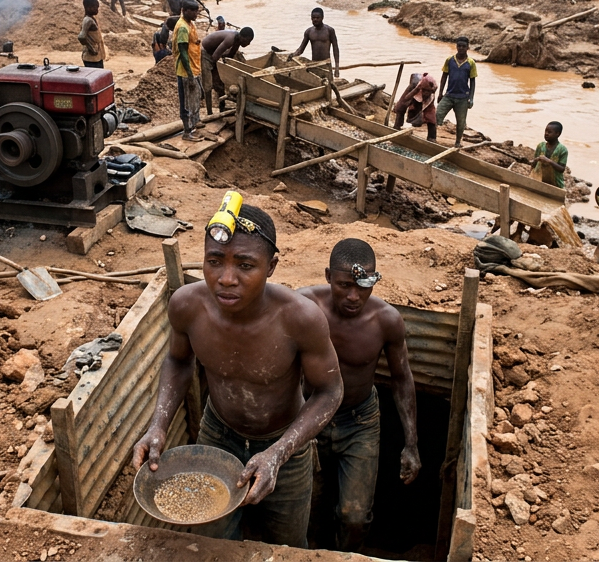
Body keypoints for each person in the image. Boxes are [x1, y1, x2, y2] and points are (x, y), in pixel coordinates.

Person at [131, 199, 342, 548]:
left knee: (286, 546)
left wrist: (278, 452)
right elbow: (178, 361)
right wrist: (158, 425)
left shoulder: (299, 319)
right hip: (217, 438)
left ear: (271, 266)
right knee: (212, 543)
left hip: (284, 443)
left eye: (245, 265)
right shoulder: (187, 305)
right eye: (214, 262)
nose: (226, 279)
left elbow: (330, 391)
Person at [302, 239, 419, 551]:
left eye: (363, 286)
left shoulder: (386, 321)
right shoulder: (303, 307)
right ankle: (307, 552)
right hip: (309, 416)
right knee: (305, 504)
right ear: (328, 276)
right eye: (344, 285)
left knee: (354, 516)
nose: (354, 296)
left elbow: (402, 377)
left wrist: (411, 443)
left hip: (360, 421)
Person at [200, 26, 254, 114]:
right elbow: (214, 57)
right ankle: (209, 112)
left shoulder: (237, 41)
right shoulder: (230, 39)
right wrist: (216, 71)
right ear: (243, 37)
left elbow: (230, 55)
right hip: (206, 54)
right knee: (208, 84)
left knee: (220, 84)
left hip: (215, 54)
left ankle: (222, 108)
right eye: (248, 41)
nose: (248, 44)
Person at [435, 36, 477, 149]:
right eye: (459, 46)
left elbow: (472, 82)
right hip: (449, 95)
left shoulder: (471, 63)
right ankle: (432, 138)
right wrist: (440, 93)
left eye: (464, 46)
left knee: (461, 122)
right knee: (437, 115)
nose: (461, 48)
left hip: (463, 98)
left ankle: (458, 142)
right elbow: (444, 76)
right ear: (456, 47)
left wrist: (471, 98)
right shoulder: (450, 60)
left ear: (468, 47)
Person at [175, 0, 203, 142]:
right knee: (186, 103)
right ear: (185, 10)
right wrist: (190, 75)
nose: (196, 14)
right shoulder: (183, 28)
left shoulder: (189, 24)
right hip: (186, 71)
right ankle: (187, 132)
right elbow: (183, 52)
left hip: (193, 68)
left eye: (197, 11)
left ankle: (193, 125)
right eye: (193, 11)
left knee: (194, 99)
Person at [293, 7, 340, 76]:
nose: (315, 20)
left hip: (326, 64)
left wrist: (337, 68)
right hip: (314, 64)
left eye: (318, 18)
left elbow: (335, 49)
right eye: (313, 18)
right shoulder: (309, 32)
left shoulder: (329, 30)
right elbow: (301, 50)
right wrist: (292, 56)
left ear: (322, 18)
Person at [393, 72, 438, 141]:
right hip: (414, 90)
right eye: (425, 91)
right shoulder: (416, 86)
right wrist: (416, 90)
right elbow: (406, 98)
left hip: (427, 96)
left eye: (428, 91)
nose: (426, 93)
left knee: (431, 117)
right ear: (422, 90)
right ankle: (397, 128)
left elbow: (426, 109)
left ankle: (432, 138)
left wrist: (421, 117)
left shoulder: (432, 90)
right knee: (400, 108)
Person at [533, 121, 569, 188]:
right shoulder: (540, 146)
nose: (546, 134)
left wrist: (549, 161)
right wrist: (535, 160)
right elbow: (533, 164)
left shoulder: (562, 149)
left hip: (555, 183)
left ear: (558, 134)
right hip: (538, 179)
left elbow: (562, 169)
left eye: (549, 132)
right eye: (545, 131)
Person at [78, 0, 106, 69]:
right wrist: (92, 49)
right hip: (91, 59)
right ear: (88, 7)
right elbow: (81, 37)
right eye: (95, 7)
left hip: (96, 57)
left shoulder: (91, 19)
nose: (97, 9)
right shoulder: (88, 20)